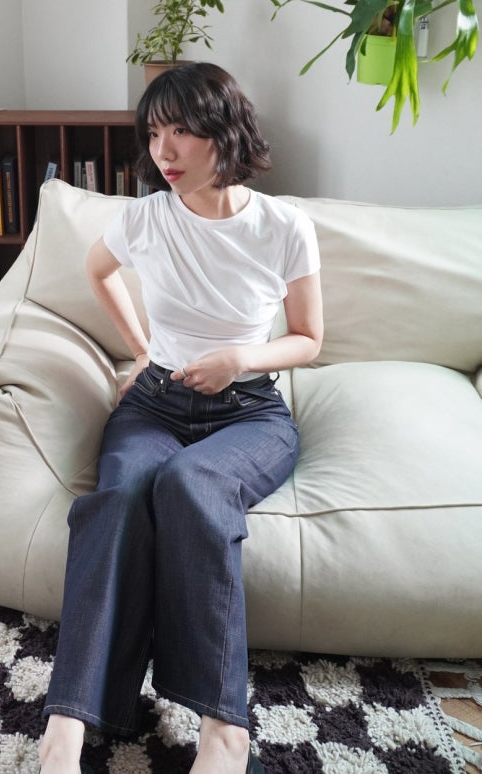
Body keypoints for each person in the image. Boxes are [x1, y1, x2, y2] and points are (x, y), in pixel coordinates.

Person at [38, 62, 323, 774]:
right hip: (154, 406)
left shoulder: (283, 226)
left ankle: (223, 730)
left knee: (191, 485)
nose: (162, 152)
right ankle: (65, 727)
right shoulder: (143, 219)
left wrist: (239, 359)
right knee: (116, 499)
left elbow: (308, 339)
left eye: (181, 133)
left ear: (224, 132)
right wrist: (143, 350)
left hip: (250, 414)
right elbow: (97, 271)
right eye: (153, 133)